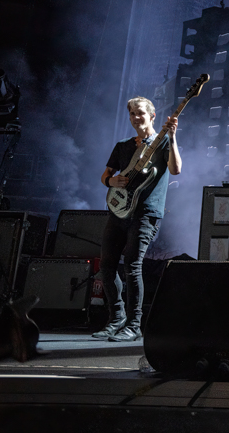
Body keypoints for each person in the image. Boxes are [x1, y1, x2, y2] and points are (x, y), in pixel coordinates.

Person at [95, 97, 181, 342]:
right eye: (132, 114)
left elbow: (176, 170)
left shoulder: (163, 140)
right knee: (107, 266)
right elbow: (106, 175)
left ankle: (134, 325)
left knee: (132, 265)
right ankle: (116, 319)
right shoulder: (122, 145)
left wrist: (173, 138)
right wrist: (111, 181)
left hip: (146, 213)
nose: (135, 118)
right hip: (119, 211)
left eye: (140, 113)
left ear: (152, 116)